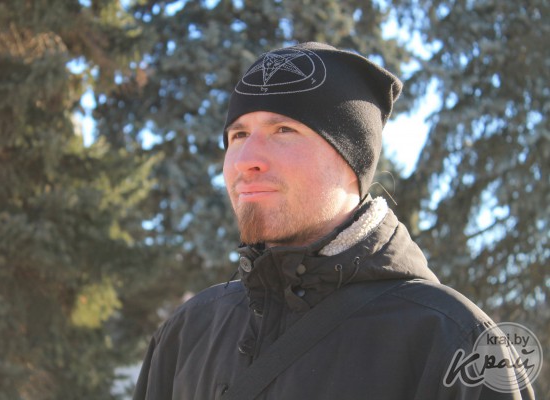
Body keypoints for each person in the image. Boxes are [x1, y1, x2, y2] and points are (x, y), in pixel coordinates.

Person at [133, 42, 535, 399]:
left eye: (284, 130)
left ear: (352, 161)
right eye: (238, 135)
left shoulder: (450, 341)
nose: (245, 160)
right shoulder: (188, 333)